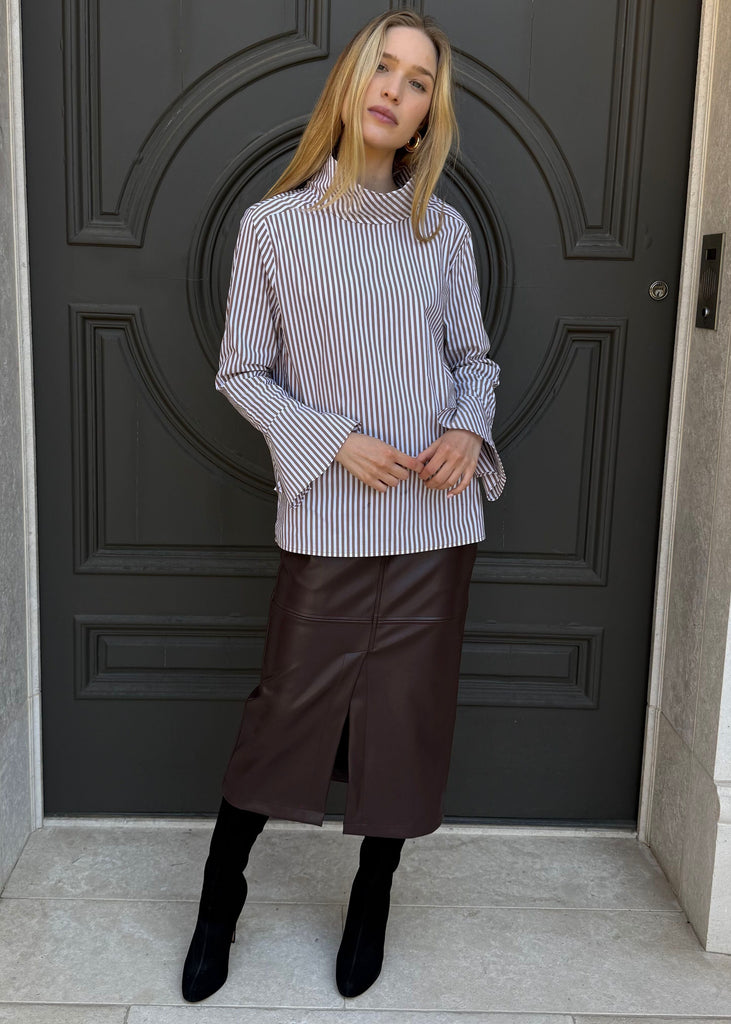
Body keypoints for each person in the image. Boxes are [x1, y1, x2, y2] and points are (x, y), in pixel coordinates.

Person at [181, 7, 506, 1003]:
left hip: (431, 526)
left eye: (416, 83)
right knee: (284, 713)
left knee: (403, 723)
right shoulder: (273, 228)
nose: (394, 91)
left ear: (423, 118)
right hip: (328, 520)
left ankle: (372, 895)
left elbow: (472, 360)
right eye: (382, 69)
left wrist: (463, 431)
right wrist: (331, 441)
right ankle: (219, 894)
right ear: (350, 83)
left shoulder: (440, 232)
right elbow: (241, 370)